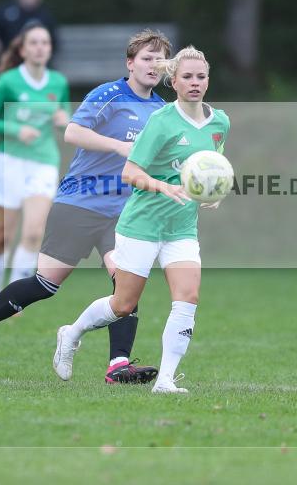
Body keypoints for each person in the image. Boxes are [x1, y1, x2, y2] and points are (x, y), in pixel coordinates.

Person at [0, 29, 172, 384]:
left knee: (127, 285)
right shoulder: (108, 94)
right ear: (130, 63)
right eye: (146, 58)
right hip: (80, 202)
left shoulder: (161, 111)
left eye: (159, 60)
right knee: (45, 284)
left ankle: (118, 365)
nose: (153, 65)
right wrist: (118, 147)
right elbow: (72, 132)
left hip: (123, 212)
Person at [51, 45, 230, 394]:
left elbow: (212, 166)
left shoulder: (220, 122)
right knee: (123, 304)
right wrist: (163, 186)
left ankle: (165, 380)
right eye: (187, 77)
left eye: (201, 77)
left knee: (188, 296)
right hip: (142, 224)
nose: (195, 83)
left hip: (181, 227)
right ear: (174, 81)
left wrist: (215, 193)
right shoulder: (160, 121)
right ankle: (71, 333)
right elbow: (131, 172)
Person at [0, 21, 71, 304]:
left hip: (44, 162)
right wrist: (16, 130)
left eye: (45, 42)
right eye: (34, 42)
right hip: (11, 161)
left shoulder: (59, 82)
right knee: (2, 236)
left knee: (32, 234)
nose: (40, 47)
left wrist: (63, 120)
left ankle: (10, 300)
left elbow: (65, 116)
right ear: (22, 48)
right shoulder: (8, 82)